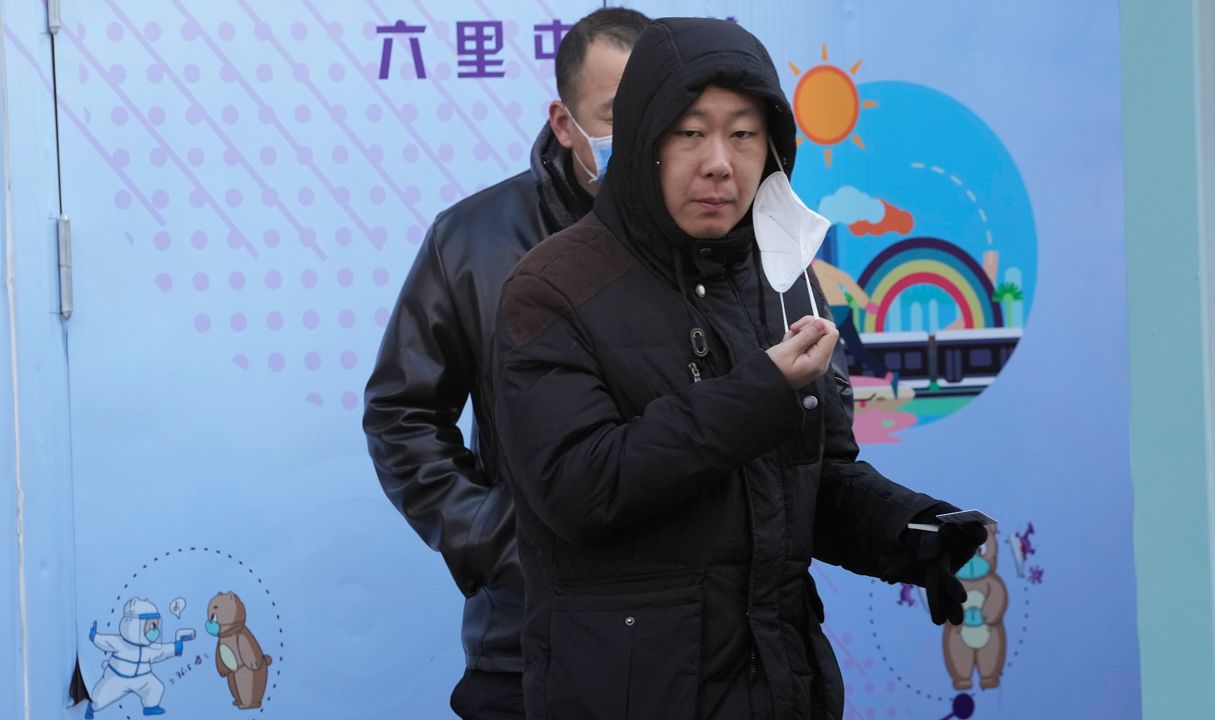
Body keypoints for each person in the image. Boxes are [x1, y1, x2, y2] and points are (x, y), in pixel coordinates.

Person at [490, 18, 987, 720]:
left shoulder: (784, 278)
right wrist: (759, 393)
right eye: (690, 132)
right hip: (631, 693)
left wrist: (909, 532)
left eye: (744, 134)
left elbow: (815, 476)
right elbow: (582, 488)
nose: (720, 162)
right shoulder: (552, 287)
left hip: (781, 683)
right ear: (641, 144)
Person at [361, 8, 651, 720]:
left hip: (704, 650)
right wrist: (503, 544)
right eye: (616, 115)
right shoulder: (472, 242)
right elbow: (401, 416)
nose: (641, 138)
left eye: (658, 111)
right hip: (530, 646)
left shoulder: (719, 237)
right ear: (564, 121)